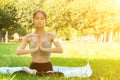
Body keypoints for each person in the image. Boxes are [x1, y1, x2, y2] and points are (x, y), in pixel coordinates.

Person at [16, 9, 63, 77]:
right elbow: (19, 52)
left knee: (58, 75)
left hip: (47, 65)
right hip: (34, 65)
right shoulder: (28, 37)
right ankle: (35, 72)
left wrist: (43, 49)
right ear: (33, 20)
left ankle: (41, 73)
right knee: (19, 72)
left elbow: (60, 49)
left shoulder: (51, 35)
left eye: (42, 18)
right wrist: (34, 49)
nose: (39, 20)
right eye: (37, 18)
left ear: (45, 21)